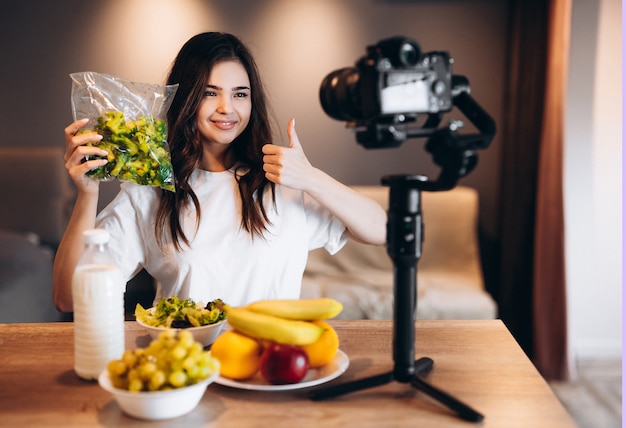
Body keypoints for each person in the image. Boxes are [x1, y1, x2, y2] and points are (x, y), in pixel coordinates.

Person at [53, 32, 387, 313]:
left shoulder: (284, 183)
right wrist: (88, 193)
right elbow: (68, 298)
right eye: (210, 93)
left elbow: (381, 229)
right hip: (187, 366)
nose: (227, 108)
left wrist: (311, 178)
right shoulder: (151, 192)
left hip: (272, 365)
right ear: (185, 98)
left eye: (240, 94)